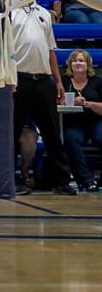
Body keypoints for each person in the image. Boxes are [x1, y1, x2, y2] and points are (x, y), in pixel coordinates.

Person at [11, 0, 77, 194]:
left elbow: (51, 50)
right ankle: (11, 180)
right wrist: (8, 79)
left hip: (44, 80)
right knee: (13, 132)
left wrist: (58, 81)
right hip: (18, 80)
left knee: (51, 133)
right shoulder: (8, 12)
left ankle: (61, 180)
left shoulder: (44, 14)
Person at [61, 49, 102, 191]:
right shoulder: (63, 81)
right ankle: (87, 180)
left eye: (81, 60)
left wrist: (87, 104)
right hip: (73, 123)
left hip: (96, 122)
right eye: (75, 60)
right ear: (70, 65)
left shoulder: (97, 82)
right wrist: (69, 101)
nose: (78, 63)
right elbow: (55, 101)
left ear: (88, 64)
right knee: (71, 140)